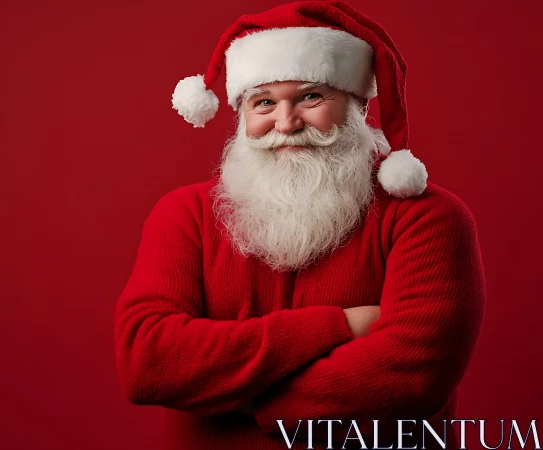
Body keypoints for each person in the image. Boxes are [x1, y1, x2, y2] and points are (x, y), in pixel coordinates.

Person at [113, 1, 485, 449]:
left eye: (311, 97)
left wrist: (249, 398)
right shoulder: (183, 215)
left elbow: (414, 374)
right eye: (264, 103)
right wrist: (340, 326)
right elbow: (148, 361)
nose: (286, 124)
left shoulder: (428, 218)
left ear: (355, 104)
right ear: (241, 114)